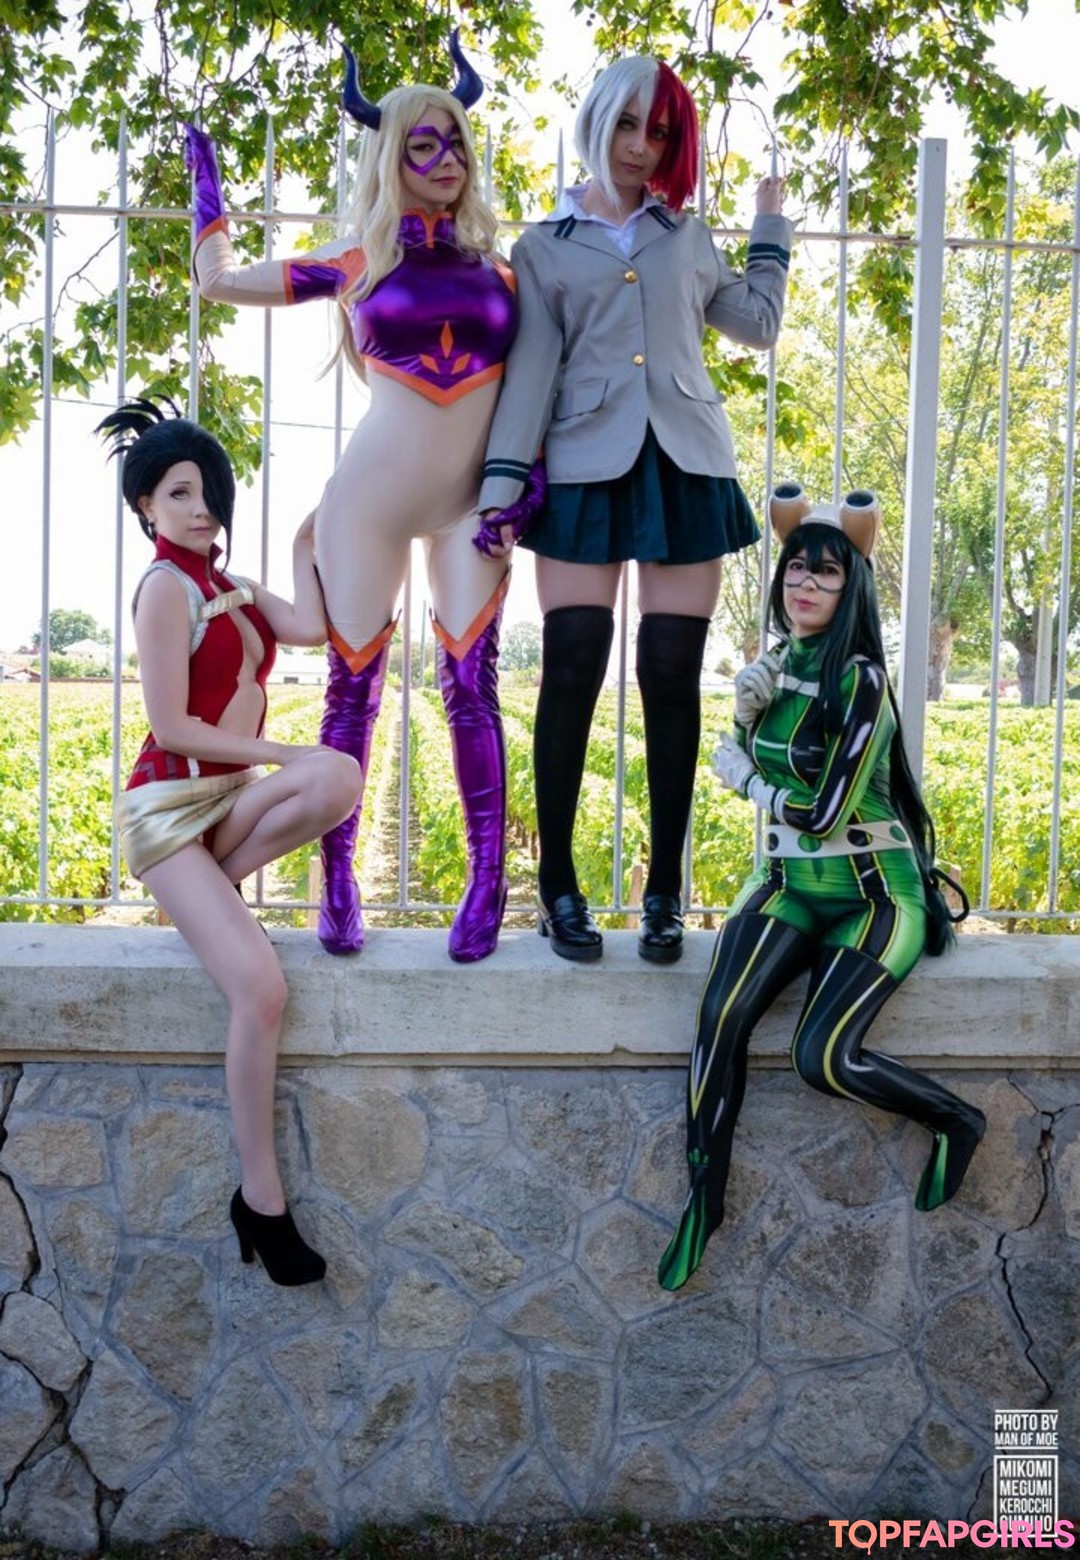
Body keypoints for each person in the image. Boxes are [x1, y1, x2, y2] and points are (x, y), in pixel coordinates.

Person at [184, 32, 541, 962]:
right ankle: (336, 880)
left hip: (473, 508)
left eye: (455, 142)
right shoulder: (355, 262)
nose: (445, 160)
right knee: (354, 694)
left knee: (472, 689)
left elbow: (543, 386)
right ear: (390, 156)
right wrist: (207, 189)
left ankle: (487, 882)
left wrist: (528, 479)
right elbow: (217, 284)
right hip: (368, 503)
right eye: (422, 144)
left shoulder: (508, 271)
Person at [477, 54, 792, 965]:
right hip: (582, 463)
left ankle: (664, 896)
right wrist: (501, 490)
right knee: (571, 667)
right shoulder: (543, 246)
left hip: (685, 461)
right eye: (626, 125)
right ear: (597, 121)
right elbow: (532, 372)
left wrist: (769, 225)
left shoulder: (685, 235)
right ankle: (559, 888)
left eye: (658, 132)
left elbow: (757, 324)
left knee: (670, 676)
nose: (640, 147)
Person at [656, 485, 986, 1292]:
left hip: (875, 896)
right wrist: (743, 721)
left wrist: (743, 778)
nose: (804, 582)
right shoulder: (776, 668)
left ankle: (956, 1119)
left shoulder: (862, 680)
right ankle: (705, 1194)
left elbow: (824, 810)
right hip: (788, 882)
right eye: (796, 568)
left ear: (852, 588)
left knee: (822, 1057)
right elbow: (765, 762)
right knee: (720, 1016)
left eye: (826, 573)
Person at [100, 398, 362, 1286]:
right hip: (169, 810)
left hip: (224, 802)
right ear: (146, 506)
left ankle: (209, 892)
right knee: (260, 988)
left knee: (337, 777)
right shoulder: (163, 589)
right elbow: (172, 723)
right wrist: (280, 752)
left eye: (209, 489)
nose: (200, 506)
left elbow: (313, 628)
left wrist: (304, 541)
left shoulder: (232, 587)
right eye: (179, 492)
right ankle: (261, 1198)